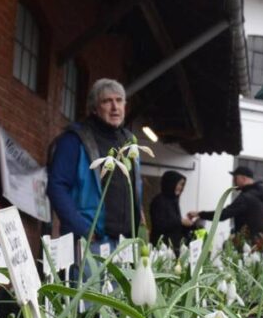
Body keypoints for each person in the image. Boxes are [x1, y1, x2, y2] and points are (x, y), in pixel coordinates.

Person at [47, 78, 142, 252]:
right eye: (107, 101)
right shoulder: (75, 139)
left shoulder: (129, 141)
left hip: (124, 244)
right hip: (90, 243)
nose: (115, 107)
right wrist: (82, 229)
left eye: (119, 100)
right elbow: (56, 186)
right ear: (94, 108)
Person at [188, 166, 263, 243]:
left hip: (247, 245)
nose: (234, 182)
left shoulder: (247, 197)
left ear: (244, 178)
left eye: (236, 178)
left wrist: (200, 214)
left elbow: (223, 214)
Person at [149, 170, 193, 252]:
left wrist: (189, 225)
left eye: (183, 185)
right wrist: (180, 221)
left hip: (173, 247)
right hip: (161, 248)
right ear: (171, 183)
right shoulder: (159, 201)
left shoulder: (174, 201)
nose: (181, 188)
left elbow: (175, 226)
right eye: (180, 184)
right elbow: (159, 224)